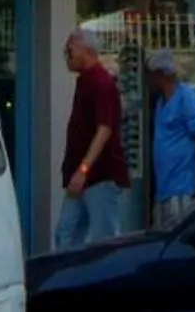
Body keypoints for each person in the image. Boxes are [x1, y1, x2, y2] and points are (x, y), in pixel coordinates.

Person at [56, 28, 128, 249]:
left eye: (71, 47)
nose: (66, 53)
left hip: (100, 176)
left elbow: (104, 130)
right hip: (80, 177)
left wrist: (83, 169)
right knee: (65, 235)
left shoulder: (102, 84)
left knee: (104, 242)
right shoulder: (85, 82)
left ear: (87, 50)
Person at [145, 51, 195, 229]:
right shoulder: (160, 103)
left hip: (182, 190)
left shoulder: (186, 98)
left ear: (160, 75)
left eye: (150, 76)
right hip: (163, 191)